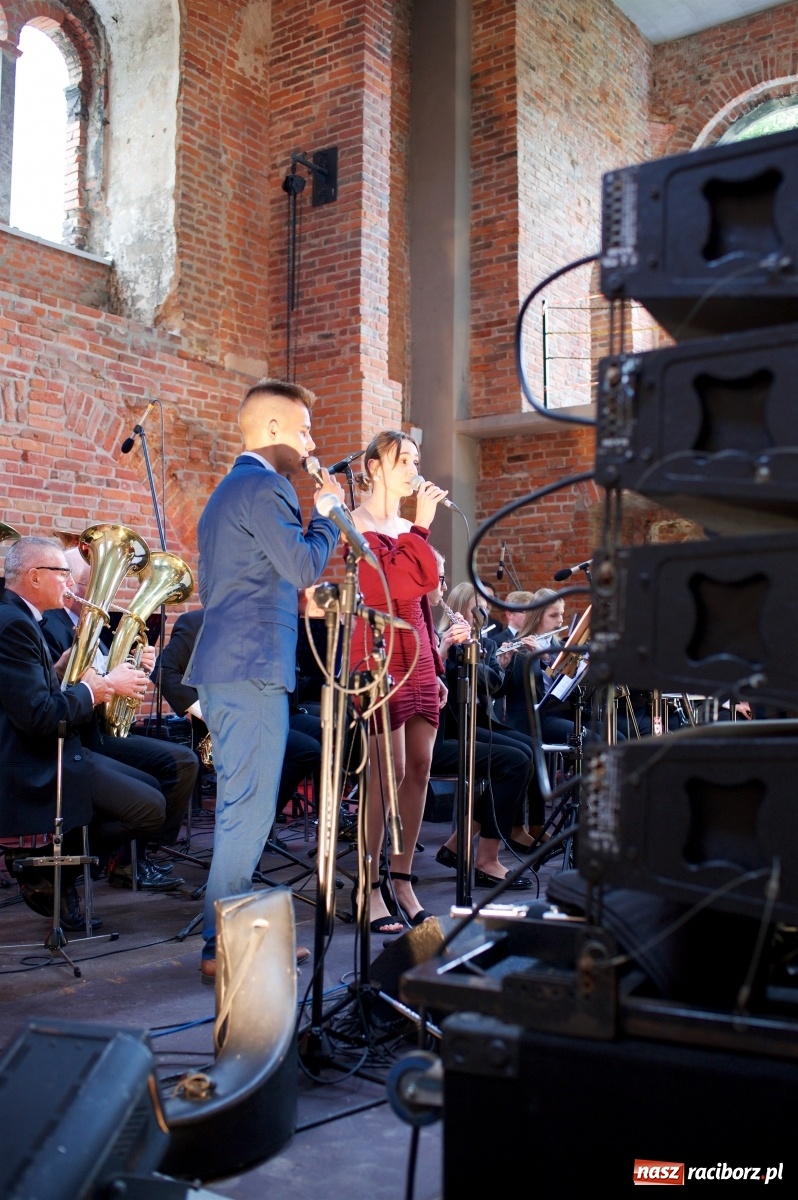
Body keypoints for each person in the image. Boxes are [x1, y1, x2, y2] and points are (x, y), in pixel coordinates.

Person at [184, 379, 341, 981]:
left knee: (238, 808)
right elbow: (302, 565)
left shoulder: (225, 493)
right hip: (250, 667)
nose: (310, 442)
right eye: (303, 429)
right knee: (247, 812)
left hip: (228, 667)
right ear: (272, 430)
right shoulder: (268, 486)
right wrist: (327, 518)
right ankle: (221, 948)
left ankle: (233, 935)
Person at [0, 537, 166, 929]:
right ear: (36, 576)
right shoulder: (14, 625)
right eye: (63, 574)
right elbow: (39, 716)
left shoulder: (21, 618)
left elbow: (30, 695)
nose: (70, 584)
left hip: (52, 748)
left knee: (152, 789)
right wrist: (99, 689)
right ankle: (46, 869)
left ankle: (57, 871)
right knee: (149, 807)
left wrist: (58, 673)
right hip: (35, 761)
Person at [40, 545, 195, 891]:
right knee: (170, 771)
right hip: (84, 736)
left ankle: (132, 856)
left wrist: (141, 666)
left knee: (183, 762)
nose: (93, 591)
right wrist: (112, 681)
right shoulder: (49, 625)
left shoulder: (92, 623)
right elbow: (59, 688)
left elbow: (114, 673)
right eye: (84, 582)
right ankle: (122, 858)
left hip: (102, 730)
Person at [350, 430, 448, 933]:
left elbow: (425, 597)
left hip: (418, 649)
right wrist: (423, 532)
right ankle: (367, 886)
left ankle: (403, 877)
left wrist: (436, 658)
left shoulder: (410, 526)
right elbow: (380, 586)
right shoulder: (353, 524)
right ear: (372, 467)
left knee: (420, 766)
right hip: (378, 647)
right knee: (384, 774)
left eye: (415, 459)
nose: (413, 469)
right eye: (402, 459)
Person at [154, 606, 323, 820]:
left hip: (268, 711)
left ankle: (325, 816)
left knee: (326, 731)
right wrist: (206, 710)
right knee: (307, 749)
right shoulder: (195, 622)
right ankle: (255, 822)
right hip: (227, 721)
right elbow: (164, 672)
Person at [428, 560, 534, 889]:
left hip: (471, 725)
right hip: (442, 735)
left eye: (485, 611)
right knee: (515, 760)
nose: (482, 617)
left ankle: (459, 845)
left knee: (524, 751)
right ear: (459, 610)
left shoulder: (480, 645)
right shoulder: (438, 640)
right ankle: (487, 860)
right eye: (477, 610)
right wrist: (448, 649)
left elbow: (492, 682)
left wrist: (479, 651)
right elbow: (442, 685)